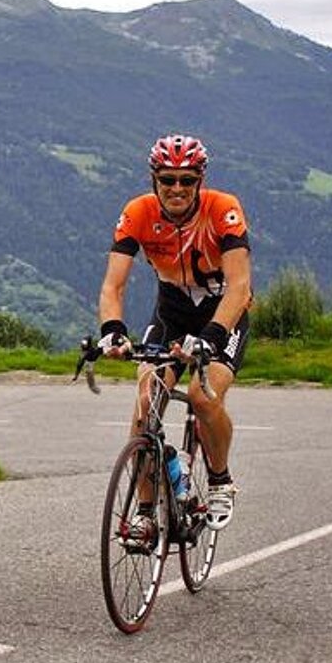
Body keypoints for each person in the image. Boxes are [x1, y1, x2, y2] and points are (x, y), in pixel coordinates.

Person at [97, 134, 252, 538]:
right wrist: (112, 331)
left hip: (223, 314)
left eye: (187, 180)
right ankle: (146, 513)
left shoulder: (224, 210)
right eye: (168, 179)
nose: (177, 189)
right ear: (155, 180)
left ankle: (219, 480)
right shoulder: (138, 213)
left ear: (200, 180)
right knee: (145, 405)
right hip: (172, 312)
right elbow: (114, 286)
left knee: (204, 396)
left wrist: (213, 336)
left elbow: (240, 287)